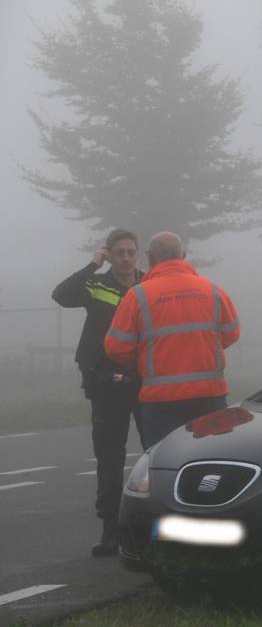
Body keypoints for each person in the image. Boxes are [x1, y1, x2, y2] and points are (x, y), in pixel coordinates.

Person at [51, 229, 145, 557]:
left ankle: (155, 527)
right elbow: (61, 295)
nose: (125, 258)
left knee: (157, 454)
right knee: (109, 458)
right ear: (109, 254)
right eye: (118, 252)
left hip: (146, 382)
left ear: (138, 253)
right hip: (104, 383)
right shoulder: (96, 284)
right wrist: (92, 264)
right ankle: (110, 529)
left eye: (130, 252)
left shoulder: (149, 285)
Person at [104, 232, 240, 450]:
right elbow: (231, 334)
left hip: (160, 401)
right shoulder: (212, 291)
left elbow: (116, 347)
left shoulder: (138, 296)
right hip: (211, 396)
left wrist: (141, 361)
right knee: (214, 464)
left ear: (149, 257)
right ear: (183, 255)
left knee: (164, 465)